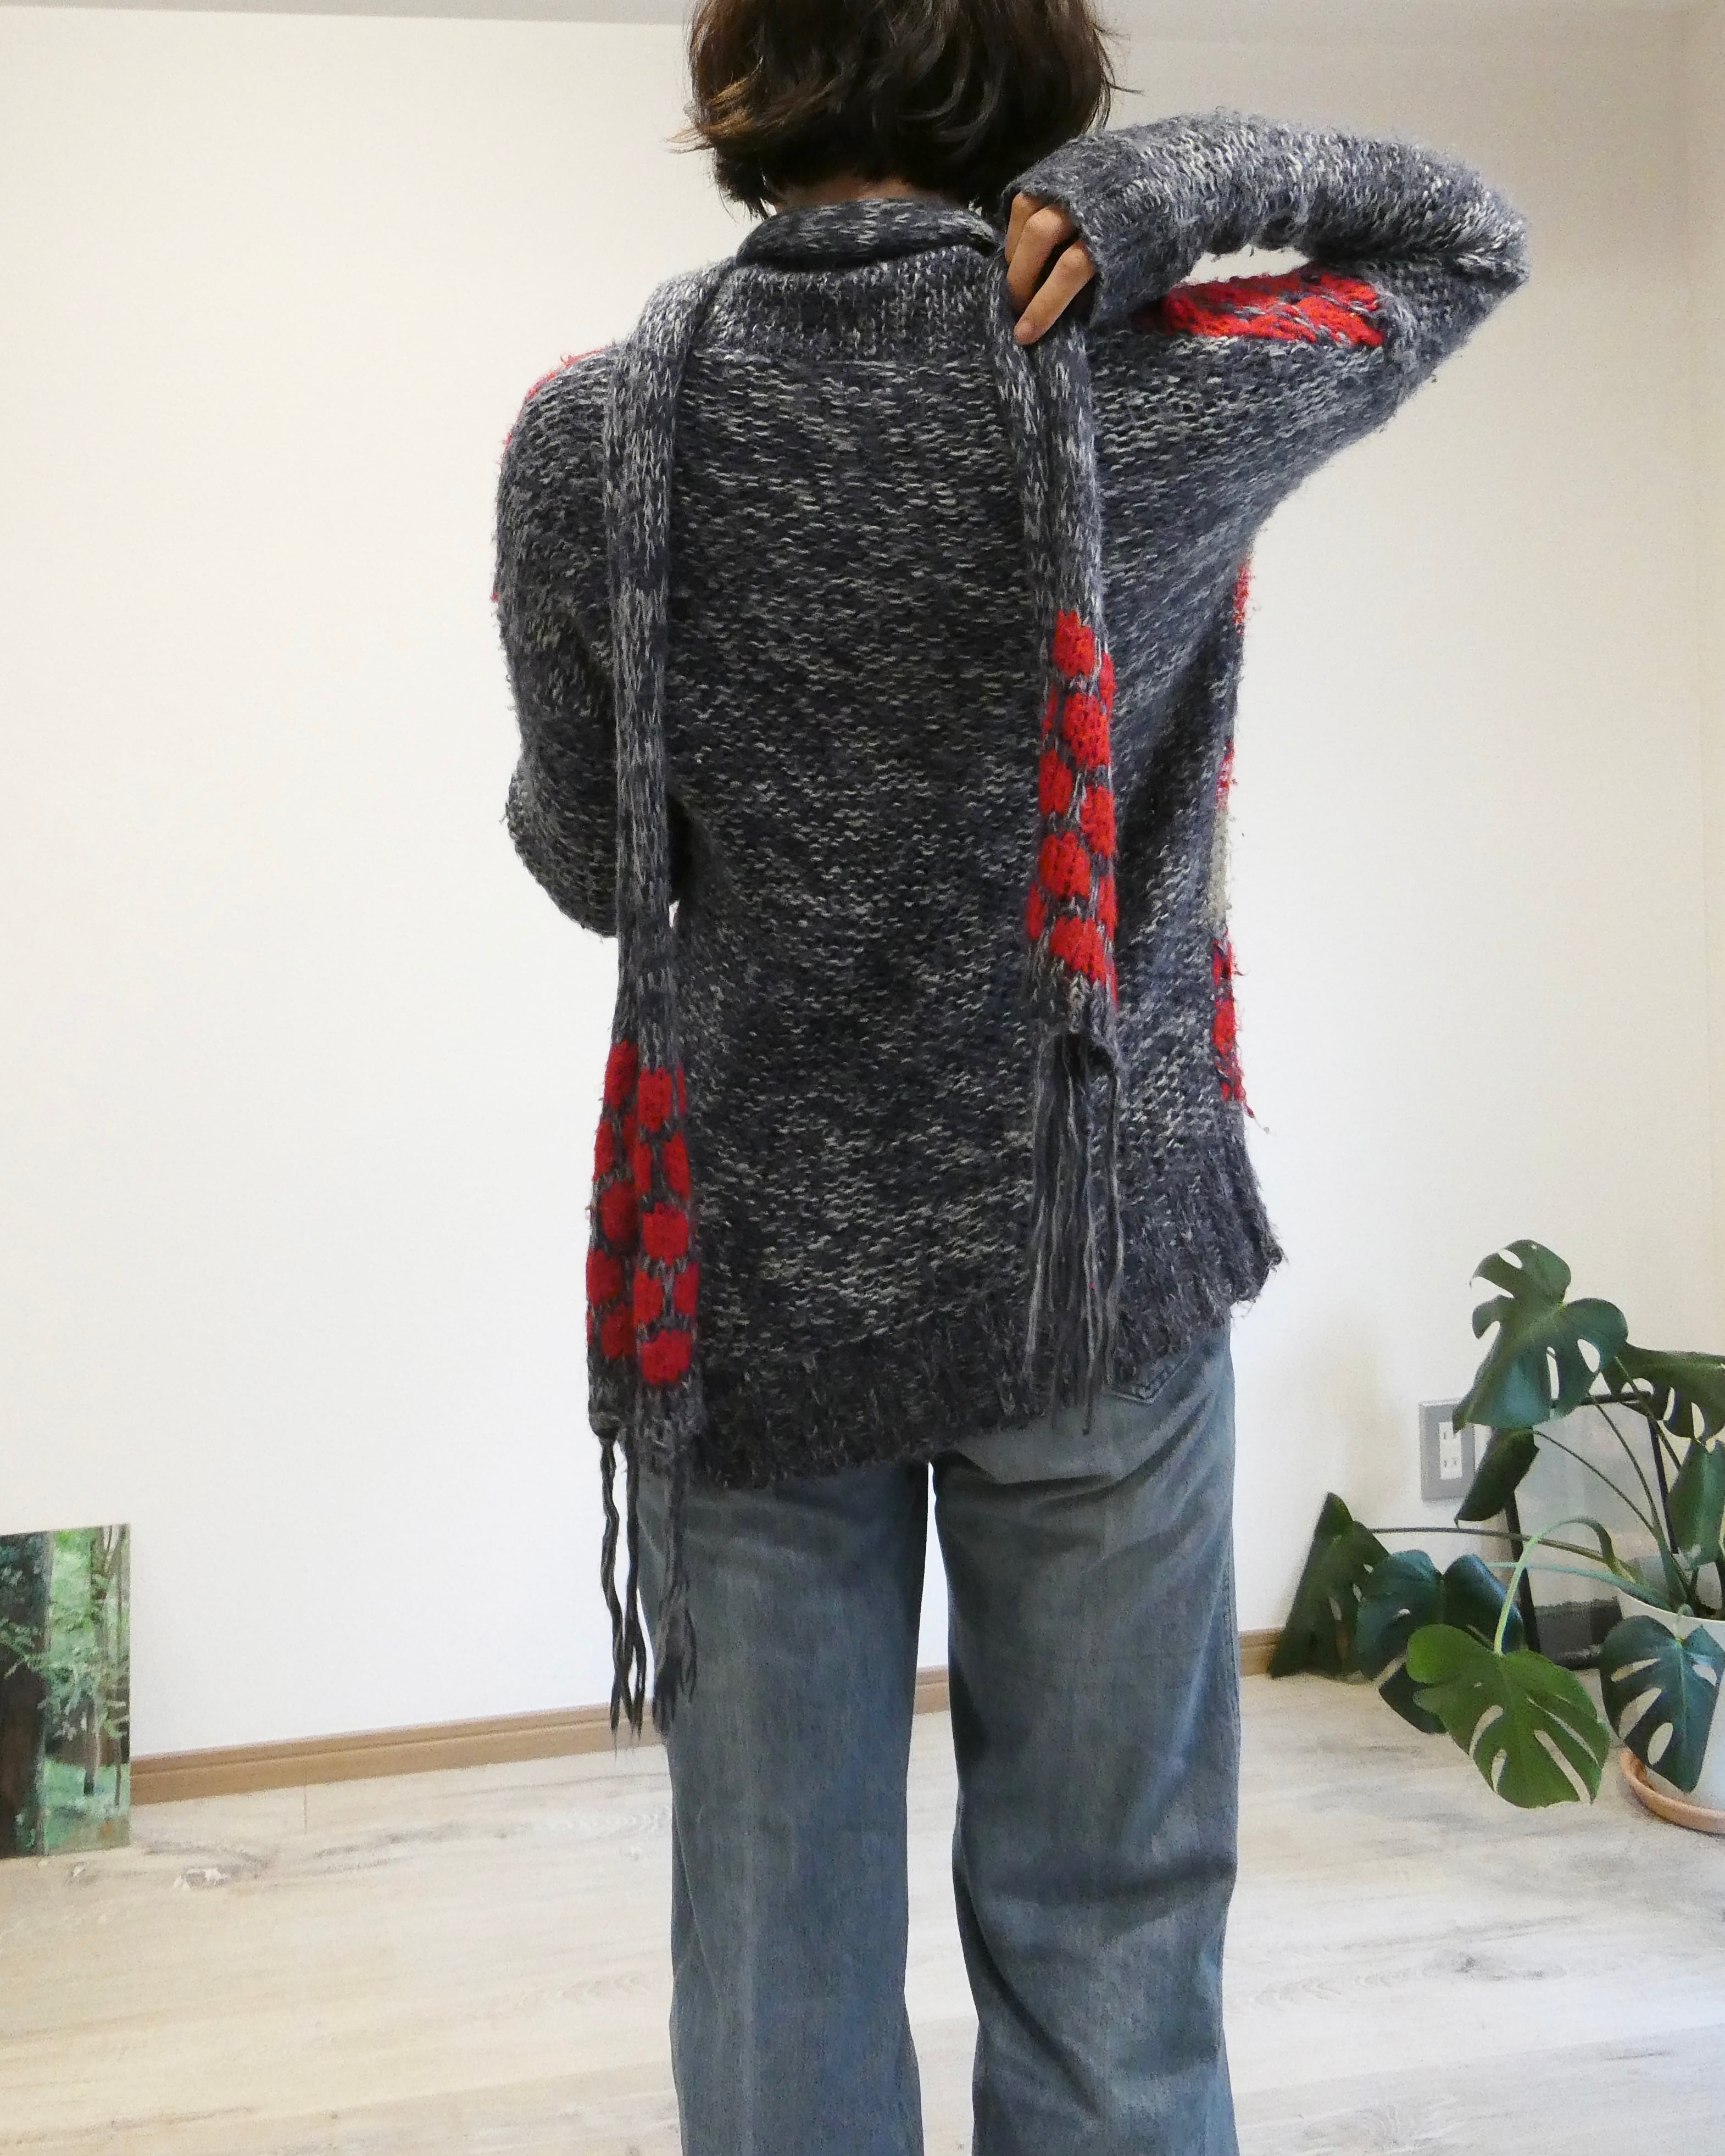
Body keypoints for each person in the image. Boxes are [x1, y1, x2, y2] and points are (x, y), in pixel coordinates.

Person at [493, 3, 1528, 2148]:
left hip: (752, 1280)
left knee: (772, 1942)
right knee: (1110, 1923)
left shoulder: (593, 433)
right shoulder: (1164, 371)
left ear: (742, 77)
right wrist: (1163, 192)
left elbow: (597, 868)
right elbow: (1458, 232)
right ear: (1038, 86)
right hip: (1097, 1249)